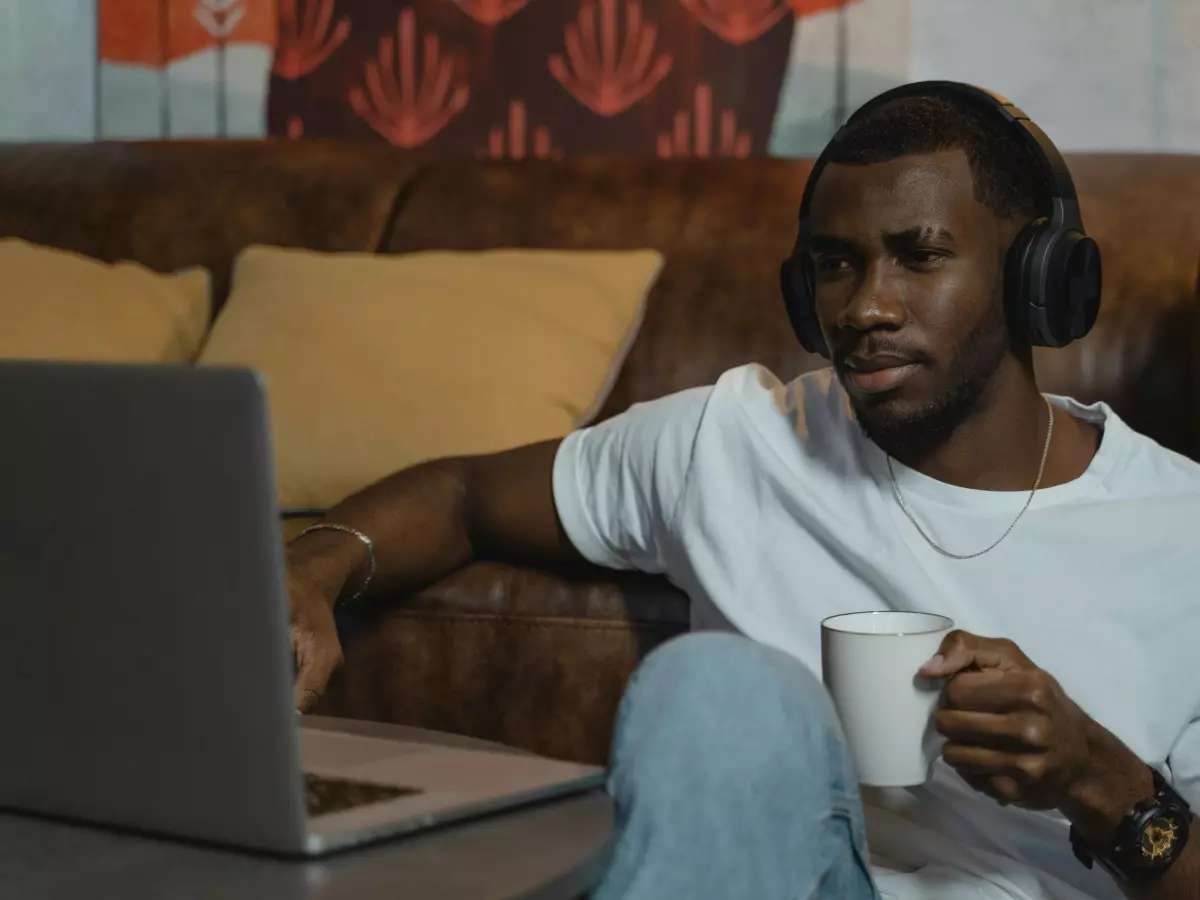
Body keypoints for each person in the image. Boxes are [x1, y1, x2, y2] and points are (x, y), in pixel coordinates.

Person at [283, 83, 1200, 900]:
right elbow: (464, 494)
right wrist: (312, 571)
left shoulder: (1180, 532)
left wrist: (1100, 779)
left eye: (919, 257)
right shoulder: (733, 439)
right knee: (715, 686)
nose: (865, 307)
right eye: (836, 263)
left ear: (1038, 280)